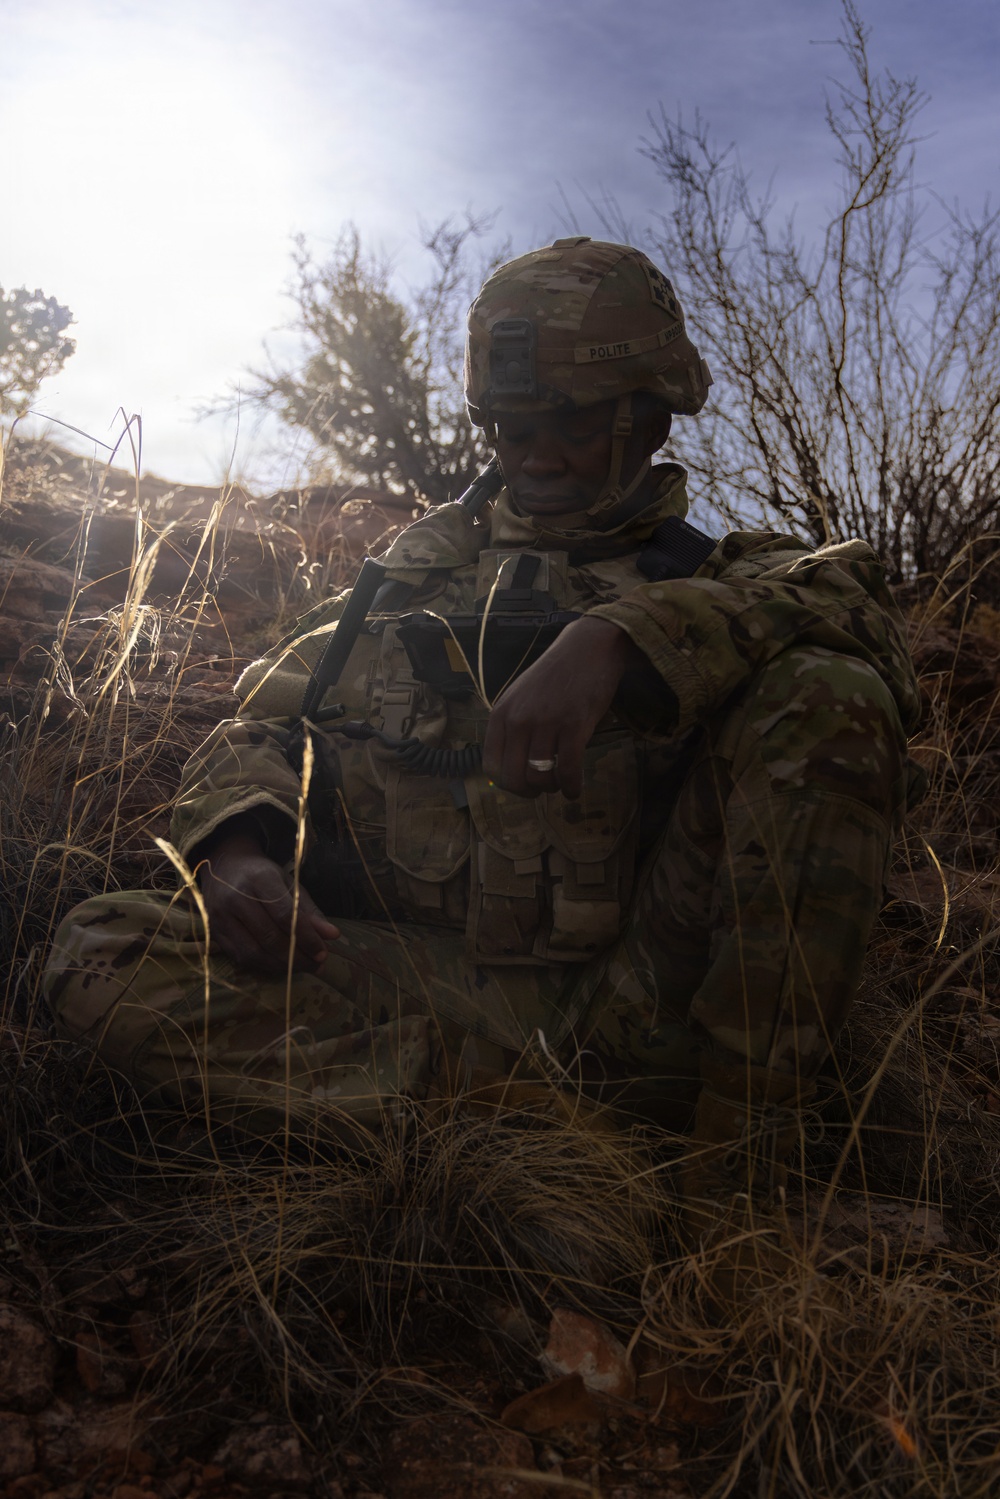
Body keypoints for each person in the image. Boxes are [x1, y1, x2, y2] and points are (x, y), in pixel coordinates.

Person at [44, 238, 921, 1297]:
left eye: (573, 421)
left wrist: (626, 639)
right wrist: (238, 849)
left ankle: (738, 1185)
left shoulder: (723, 577)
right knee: (99, 953)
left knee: (829, 697)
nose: (537, 453)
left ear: (647, 417)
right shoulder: (400, 578)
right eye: (513, 424)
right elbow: (258, 725)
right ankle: (552, 1141)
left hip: (639, 1011)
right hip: (433, 993)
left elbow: (860, 611)